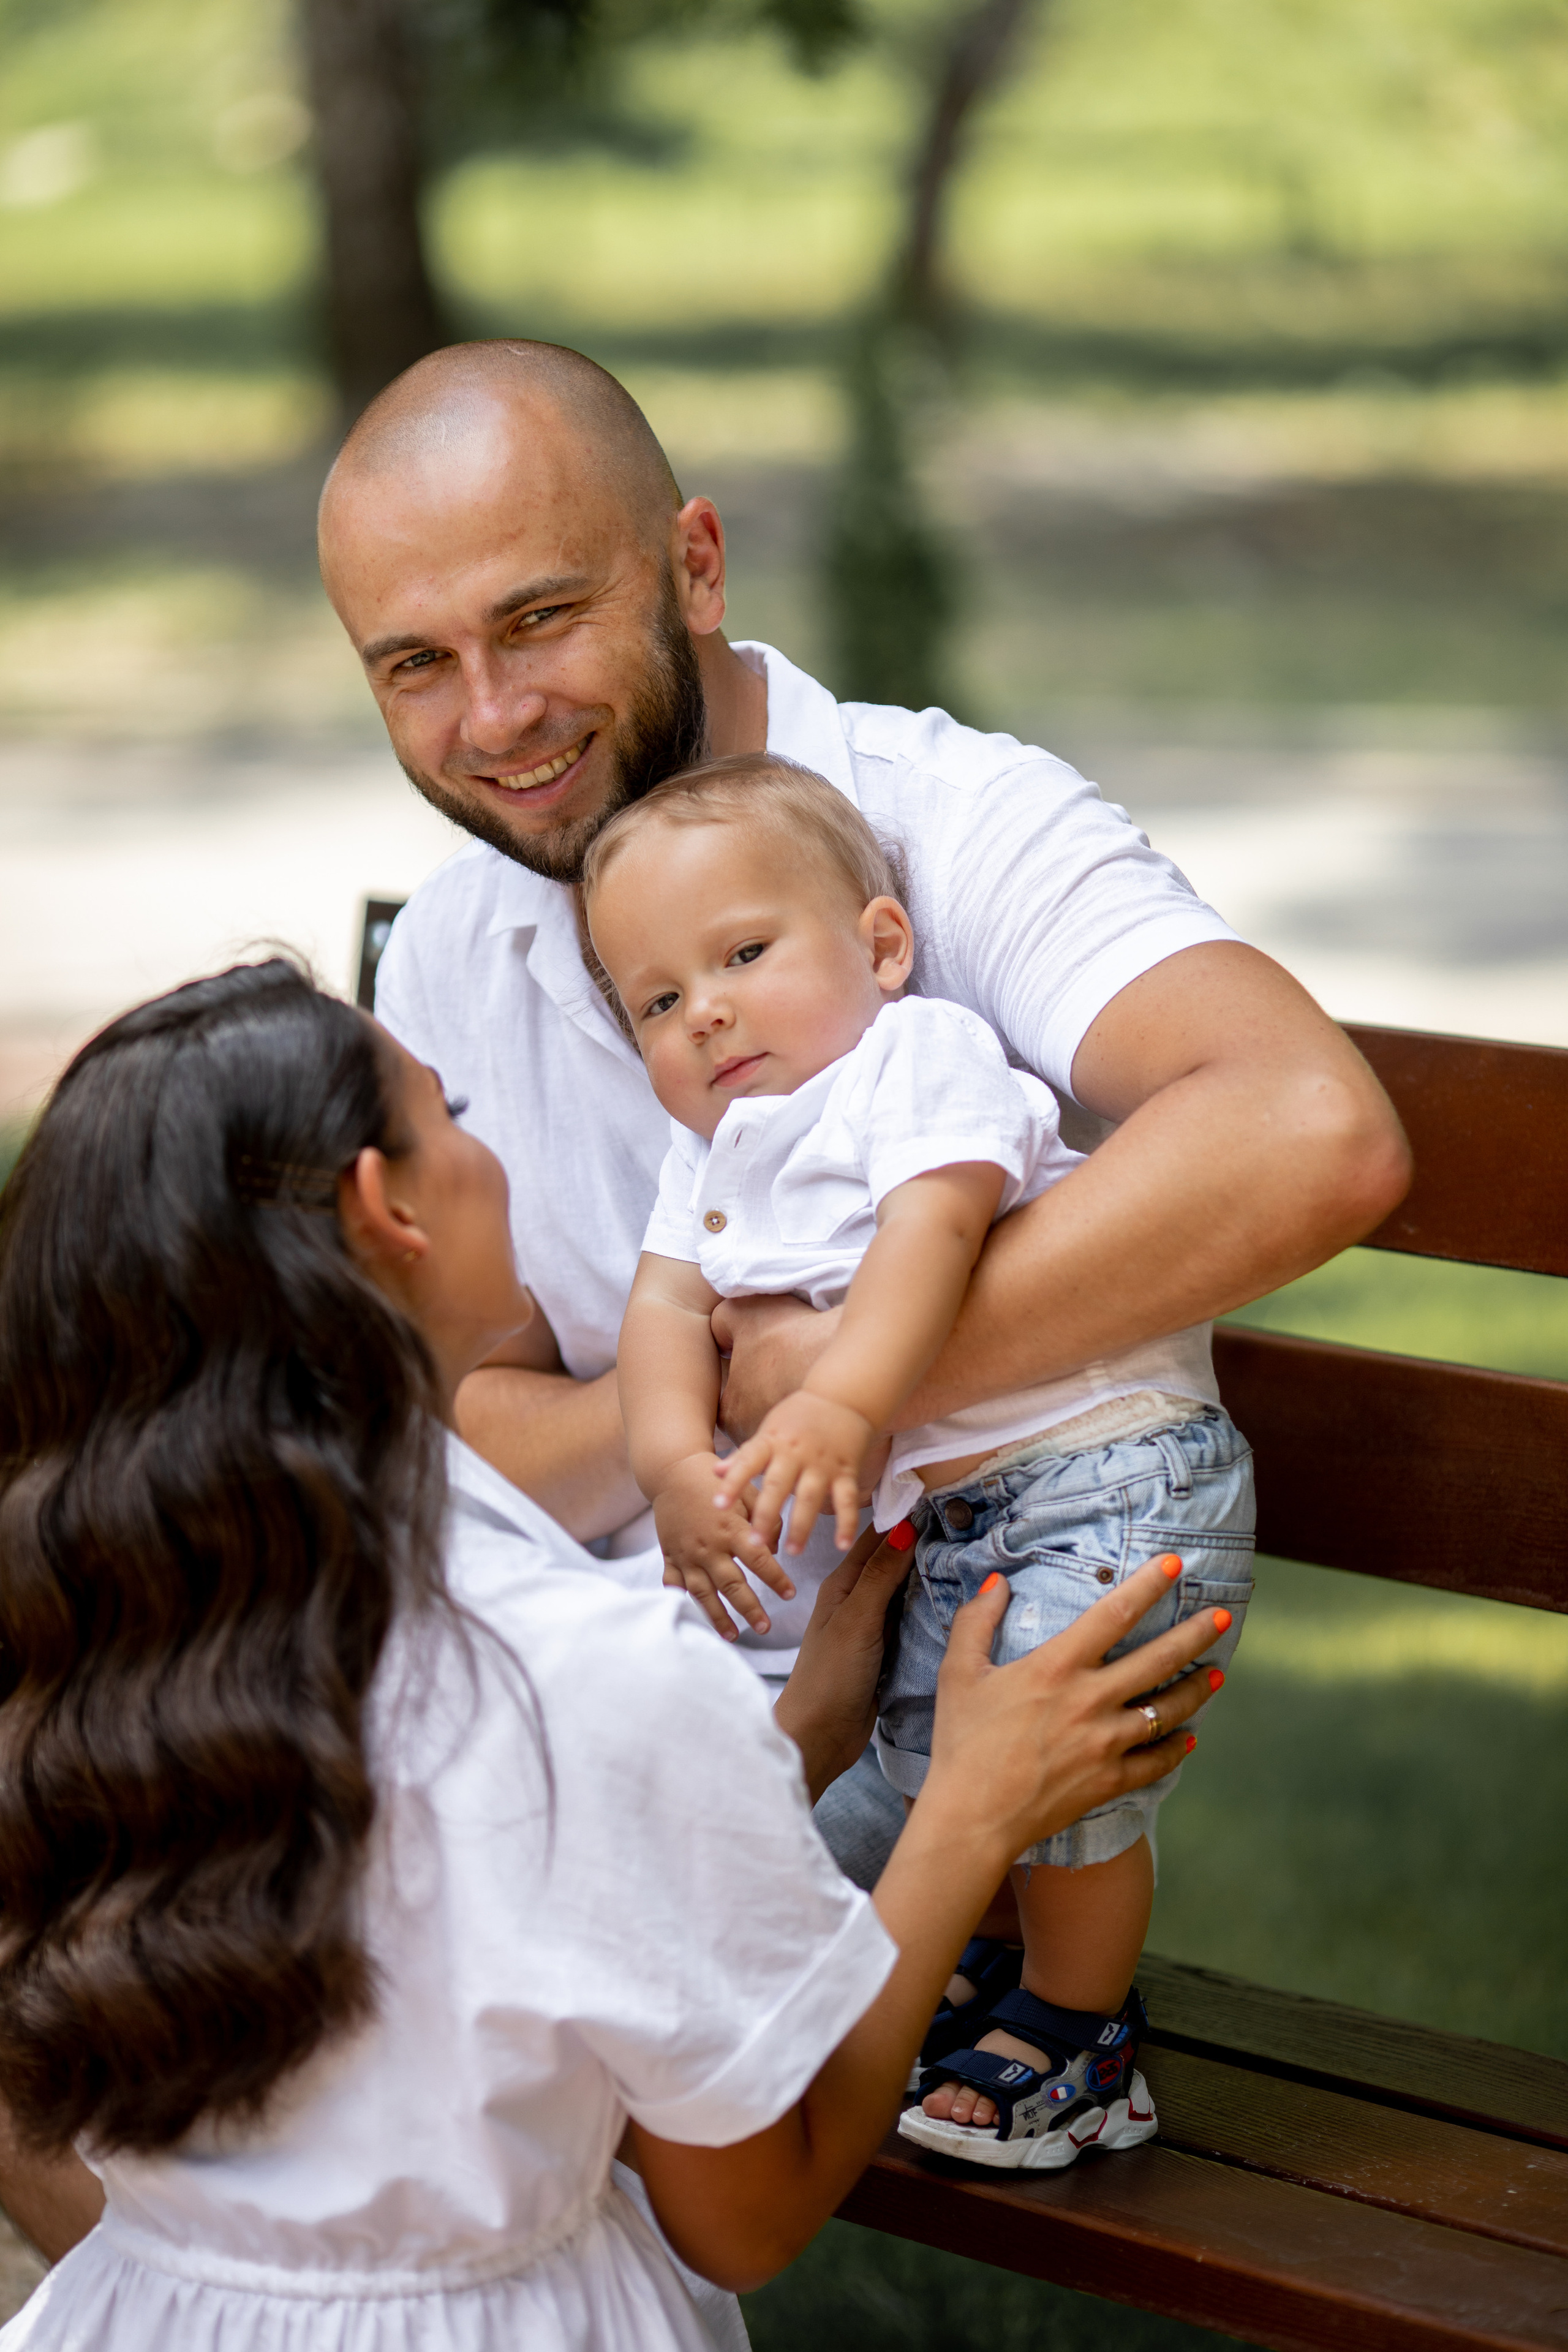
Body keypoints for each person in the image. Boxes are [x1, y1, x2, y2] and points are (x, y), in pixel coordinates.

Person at [0, 959, 1224, 2348]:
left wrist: (797, 1748)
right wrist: (966, 1814)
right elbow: (747, 2216)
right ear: (381, 1206)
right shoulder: (578, 1667)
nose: (484, 1146)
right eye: (448, 1111)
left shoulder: (98, 1620)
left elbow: (441, 1892)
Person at [317, 336, 1409, 1882]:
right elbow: (453, 1411)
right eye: (414, 664)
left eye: (538, 619)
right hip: (570, 1767)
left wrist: (838, 1373)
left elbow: (1309, 1130)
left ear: (693, 566)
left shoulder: (950, 825)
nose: (491, 719)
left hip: (926, 1779)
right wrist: (688, 1420)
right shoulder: (449, 942)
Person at [586, 754, 1253, 2171]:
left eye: (743, 954)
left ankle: (1079, 2034)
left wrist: (837, 1403)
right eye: (655, 1000)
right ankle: (1005, 1975)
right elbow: (661, 1313)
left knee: (1057, 1773)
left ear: (880, 948)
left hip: (1105, 1468)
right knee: (933, 1752)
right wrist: (669, 1472)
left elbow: (932, 1238)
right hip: (962, 1510)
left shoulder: (918, 1059)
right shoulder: (707, 1152)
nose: (702, 1012)